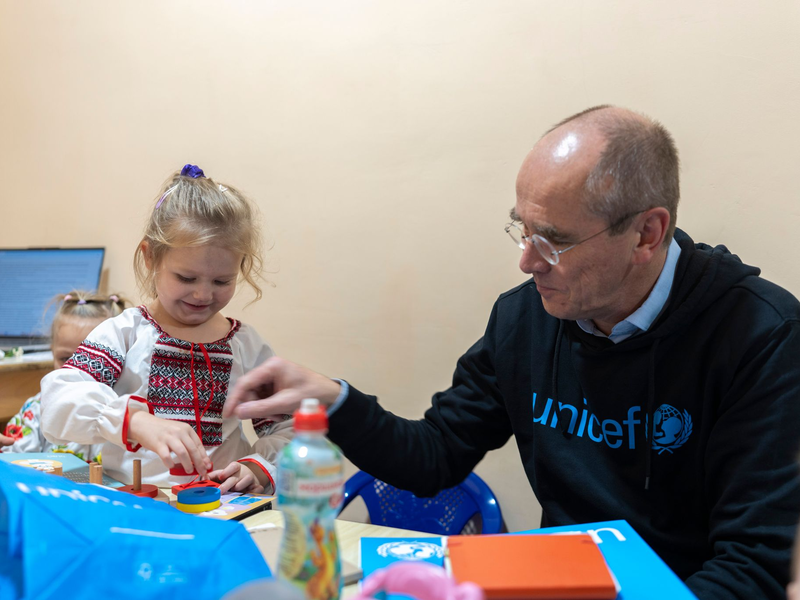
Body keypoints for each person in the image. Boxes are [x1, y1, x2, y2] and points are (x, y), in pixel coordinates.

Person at [223, 106, 800, 599]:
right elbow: (435, 457)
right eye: (521, 229)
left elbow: (749, 569)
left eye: (554, 240)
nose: (528, 261)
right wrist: (336, 399)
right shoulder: (526, 316)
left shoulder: (759, 334)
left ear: (647, 234)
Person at [41, 164, 291, 494]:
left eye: (222, 281)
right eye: (186, 278)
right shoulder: (126, 333)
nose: (203, 294)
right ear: (150, 258)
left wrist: (257, 468)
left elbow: (289, 428)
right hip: (139, 508)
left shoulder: (245, 345)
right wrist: (135, 421)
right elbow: (57, 400)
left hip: (221, 511)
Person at [0, 291, 128, 460]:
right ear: (52, 353)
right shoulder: (36, 409)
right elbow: (13, 463)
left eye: (93, 362)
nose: (76, 371)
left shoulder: (128, 413)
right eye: (66, 359)